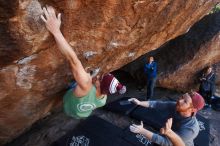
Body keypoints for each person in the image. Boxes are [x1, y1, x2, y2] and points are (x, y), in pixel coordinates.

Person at [41, 6, 126, 119]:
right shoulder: (103, 100)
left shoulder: (86, 84)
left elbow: (73, 60)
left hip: (69, 105)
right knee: (85, 81)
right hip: (80, 114)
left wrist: (56, 31)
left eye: (100, 78)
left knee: (82, 79)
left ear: (99, 85)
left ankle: (75, 89)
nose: (99, 76)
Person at [128, 91, 205, 146]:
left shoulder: (191, 129)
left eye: (185, 101)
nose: (179, 100)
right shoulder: (176, 106)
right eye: (182, 97)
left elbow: (166, 143)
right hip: (167, 135)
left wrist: (142, 131)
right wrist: (140, 103)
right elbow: (157, 104)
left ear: (193, 110)